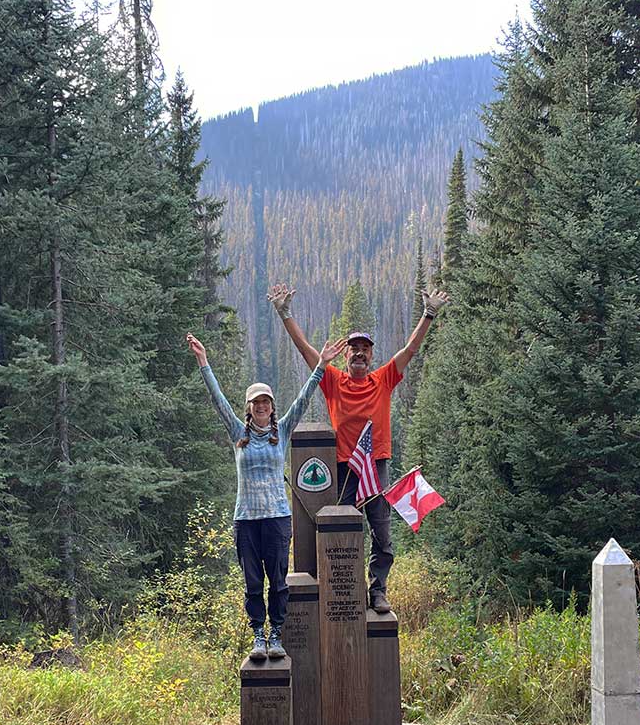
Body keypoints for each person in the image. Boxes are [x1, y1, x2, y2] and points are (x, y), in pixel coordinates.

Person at [267, 283, 450, 613]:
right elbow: (306, 350)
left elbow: (409, 350)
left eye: (365, 348)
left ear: (371, 354)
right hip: (342, 470)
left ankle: (377, 590)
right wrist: (285, 314)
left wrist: (429, 314)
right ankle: (343, 591)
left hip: (376, 466)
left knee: (382, 533)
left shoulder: (383, 379)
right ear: (346, 354)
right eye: (354, 349)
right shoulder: (333, 381)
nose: (359, 353)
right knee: (341, 534)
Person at [187, 332, 345, 661]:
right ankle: (258, 635)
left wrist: (321, 365)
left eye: (266, 402)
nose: (261, 406)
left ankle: (276, 634)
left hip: (276, 518)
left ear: (272, 407)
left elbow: (303, 398)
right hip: (245, 519)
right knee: (252, 581)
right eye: (256, 402)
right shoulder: (238, 433)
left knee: (278, 580)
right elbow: (217, 399)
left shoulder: (282, 431)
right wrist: (203, 362)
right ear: (249, 407)